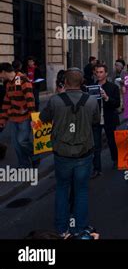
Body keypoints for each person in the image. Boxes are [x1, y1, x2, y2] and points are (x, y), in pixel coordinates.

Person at [39, 68, 99, 236]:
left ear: (64, 83)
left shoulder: (55, 100)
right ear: (82, 83)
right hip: (84, 152)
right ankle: (81, 228)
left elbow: (43, 119)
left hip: (62, 153)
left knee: (62, 189)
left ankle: (61, 229)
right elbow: (95, 121)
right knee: (81, 191)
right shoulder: (92, 101)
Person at [0, 63, 37, 168]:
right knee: (16, 145)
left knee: (22, 141)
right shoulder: (8, 84)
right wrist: (2, 120)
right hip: (13, 118)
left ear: (3, 72)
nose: (0, 77)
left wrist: (32, 118)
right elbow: (6, 103)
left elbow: (30, 100)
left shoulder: (23, 80)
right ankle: (23, 164)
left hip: (24, 118)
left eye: (0, 75)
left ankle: (35, 155)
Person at [91, 64, 120, 177]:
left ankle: (116, 160)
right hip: (96, 120)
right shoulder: (92, 87)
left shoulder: (113, 87)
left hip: (109, 119)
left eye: (101, 72)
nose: (99, 74)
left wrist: (106, 98)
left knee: (112, 141)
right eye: (97, 72)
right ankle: (97, 168)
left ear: (106, 73)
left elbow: (117, 103)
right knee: (96, 145)